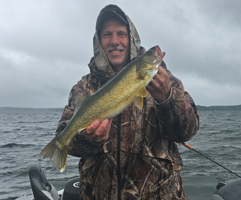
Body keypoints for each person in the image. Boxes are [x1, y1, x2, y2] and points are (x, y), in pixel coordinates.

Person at [55, 4, 199, 200]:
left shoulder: (164, 80)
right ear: (98, 41)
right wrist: (88, 140)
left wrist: (167, 99)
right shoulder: (83, 87)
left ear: (131, 38)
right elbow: (67, 138)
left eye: (121, 33)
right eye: (107, 34)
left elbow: (187, 131)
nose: (115, 41)